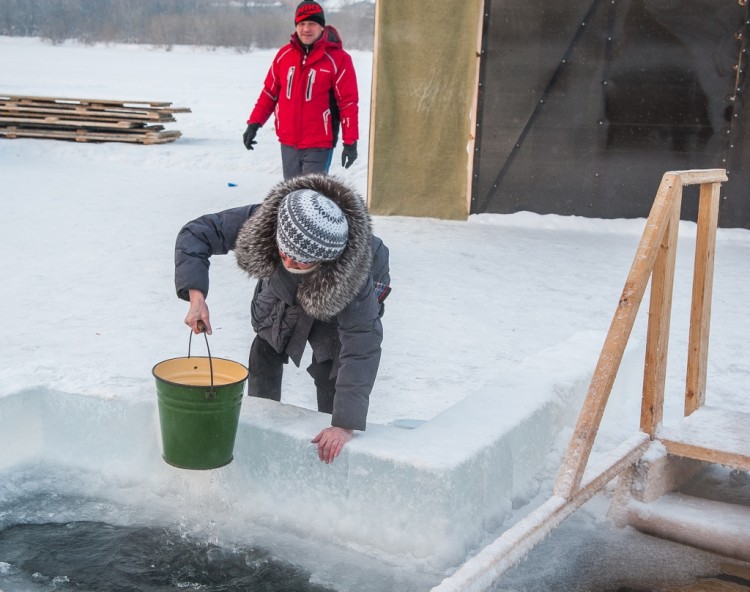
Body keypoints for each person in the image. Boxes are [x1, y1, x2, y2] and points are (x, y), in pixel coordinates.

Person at [174, 174, 390, 464]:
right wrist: (196, 297)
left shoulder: (354, 273)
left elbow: (362, 344)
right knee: (265, 351)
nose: (288, 262)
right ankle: (260, 442)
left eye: (300, 260)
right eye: (284, 252)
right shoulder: (269, 219)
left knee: (332, 373)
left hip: (334, 301)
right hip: (281, 296)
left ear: (324, 259)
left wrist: (344, 424)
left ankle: (328, 459)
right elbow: (196, 234)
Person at [242, 0, 359, 179]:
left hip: (319, 144)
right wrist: (254, 124)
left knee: (310, 196)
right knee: (291, 196)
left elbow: (348, 103)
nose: (306, 29)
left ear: (321, 27)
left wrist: (350, 142)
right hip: (288, 142)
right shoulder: (284, 55)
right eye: (302, 24)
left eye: (312, 23)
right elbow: (269, 93)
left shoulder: (339, 60)